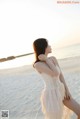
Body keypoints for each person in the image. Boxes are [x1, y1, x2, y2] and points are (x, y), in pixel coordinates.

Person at [33, 38, 80, 119]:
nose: (50, 46)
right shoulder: (37, 65)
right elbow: (55, 73)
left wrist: (67, 90)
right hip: (51, 95)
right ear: (43, 47)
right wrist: (46, 59)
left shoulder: (53, 59)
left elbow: (61, 75)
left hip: (61, 89)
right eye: (48, 45)